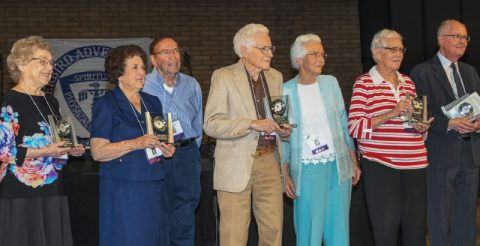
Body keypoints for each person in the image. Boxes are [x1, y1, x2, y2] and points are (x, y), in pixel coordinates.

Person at [203, 23, 291, 245]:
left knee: (273, 231)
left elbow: (279, 115)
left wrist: (284, 128)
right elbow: (211, 125)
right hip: (235, 164)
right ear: (244, 50)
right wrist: (251, 124)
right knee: (234, 235)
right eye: (264, 49)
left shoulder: (276, 77)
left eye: (271, 48)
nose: (270, 54)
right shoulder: (223, 76)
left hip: (270, 160)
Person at [348, 29, 432, 246]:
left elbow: (412, 124)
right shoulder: (364, 83)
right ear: (376, 53)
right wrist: (392, 113)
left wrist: (421, 127)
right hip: (381, 165)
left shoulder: (408, 82)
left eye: (401, 49)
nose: (399, 54)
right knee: (386, 230)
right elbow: (355, 127)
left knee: (416, 230)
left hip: (415, 163)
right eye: (392, 49)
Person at [0, 36, 85, 246]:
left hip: (52, 187)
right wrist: (45, 150)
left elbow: (58, 143)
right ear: (20, 64)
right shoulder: (9, 101)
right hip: (20, 193)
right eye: (42, 61)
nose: (49, 67)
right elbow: (3, 152)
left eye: (51, 62)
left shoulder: (51, 101)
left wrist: (68, 149)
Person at [90, 45, 176, 246]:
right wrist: (136, 143)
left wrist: (167, 148)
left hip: (154, 182)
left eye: (143, 67)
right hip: (124, 186)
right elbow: (98, 152)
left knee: (154, 239)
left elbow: (159, 137)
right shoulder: (106, 104)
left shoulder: (152, 101)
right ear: (119, 74)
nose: (142, 72)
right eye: (135, 67)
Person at [282, 33, 361, 246]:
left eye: (322, 53)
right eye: (314, 54)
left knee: (339, 230)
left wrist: (353, 159)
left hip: (338, 165)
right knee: (309, 230)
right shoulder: (284, 91)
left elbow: (343, 122)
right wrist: (284, 172)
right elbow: (282, 137)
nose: (321, 59)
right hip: (306, 169)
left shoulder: (330, 83)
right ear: (299, 59)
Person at [410, 19, 480, 246]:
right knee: (439, 216)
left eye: (465, 38)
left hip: (470, 154)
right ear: (441, 40)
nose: (462, 41)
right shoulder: (421, 72)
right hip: (440, 154)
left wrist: (477, 122)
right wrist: (450, 124)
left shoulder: (470, 72)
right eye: (456, 36)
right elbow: (418, 116)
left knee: (467, 215)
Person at [143, 37, 203, 246]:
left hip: (186, 153)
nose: (173, 57)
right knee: (158, 211)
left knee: (186, 211)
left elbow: (199, 120)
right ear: (153, 59)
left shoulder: (191, 84)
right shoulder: (143, 84)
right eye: (166, 52)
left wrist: (191, 150)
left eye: (176, 51)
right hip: (157, 155)